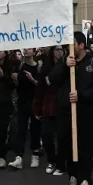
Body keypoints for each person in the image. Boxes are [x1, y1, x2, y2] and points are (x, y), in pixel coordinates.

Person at [52, 31, 93, 185]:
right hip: (66, 113)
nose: (69, 47)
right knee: (67, 145)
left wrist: (81, 96)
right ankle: (72, 177)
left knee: (85, 148)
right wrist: (64, 65)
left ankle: (84, 181)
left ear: (81, 45)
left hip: (87, 114)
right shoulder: (65, 61)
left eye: (72, 44)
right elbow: (52, 79)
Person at [10, 48, 41, 169]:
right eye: (25, 49)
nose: (27, 51)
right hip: (22, 101)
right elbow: (17, 86)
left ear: (34, 52)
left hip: (35, 101)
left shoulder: (38, 67)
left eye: (29, 49)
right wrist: (15, 80)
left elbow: (41, 85)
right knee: (21, 128)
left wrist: (32, 80)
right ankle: (19, 156)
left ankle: (35, 154)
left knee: (35, 128)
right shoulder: (20, 66)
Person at [34, 45, 63, 175]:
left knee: (62, 136)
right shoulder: (46, 68)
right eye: (57, 49)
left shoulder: (67, 67)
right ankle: (51, 160)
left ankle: (61, 162)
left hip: (62, 103)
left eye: (61, 50)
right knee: (47, 135)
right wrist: (37, 106)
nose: (59, 52)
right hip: (48, 103)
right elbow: (40, 88)